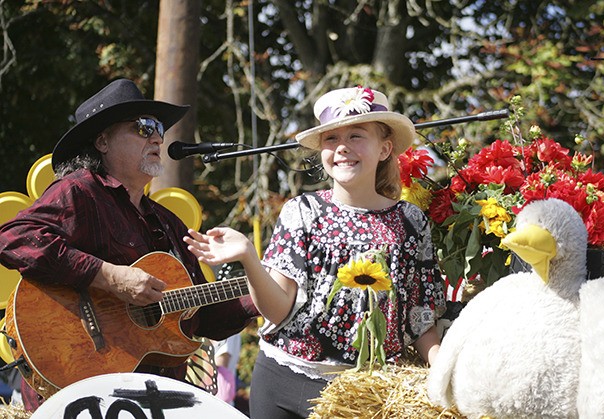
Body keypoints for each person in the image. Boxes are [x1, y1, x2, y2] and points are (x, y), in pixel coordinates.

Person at [184, 86, 447, 419]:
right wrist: (249, 257)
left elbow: (420, 315)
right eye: (331, 139)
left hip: (366, 392)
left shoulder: (411, 221)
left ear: (385, 149)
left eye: (356, 135)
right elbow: (278, 311)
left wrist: (444, 371)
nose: (342, 148)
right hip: (284, 380)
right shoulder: (301, 211)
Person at [0, 78, 258, 412]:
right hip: (79, 393)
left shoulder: (169, 223)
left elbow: (205, 318)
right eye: (142, 127)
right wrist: (110, 277)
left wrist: (263, 290)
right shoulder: (79, 192)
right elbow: (14, 237)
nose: (156, 136)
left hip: (155, 399)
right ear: (102, 141)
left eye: (159, 129)